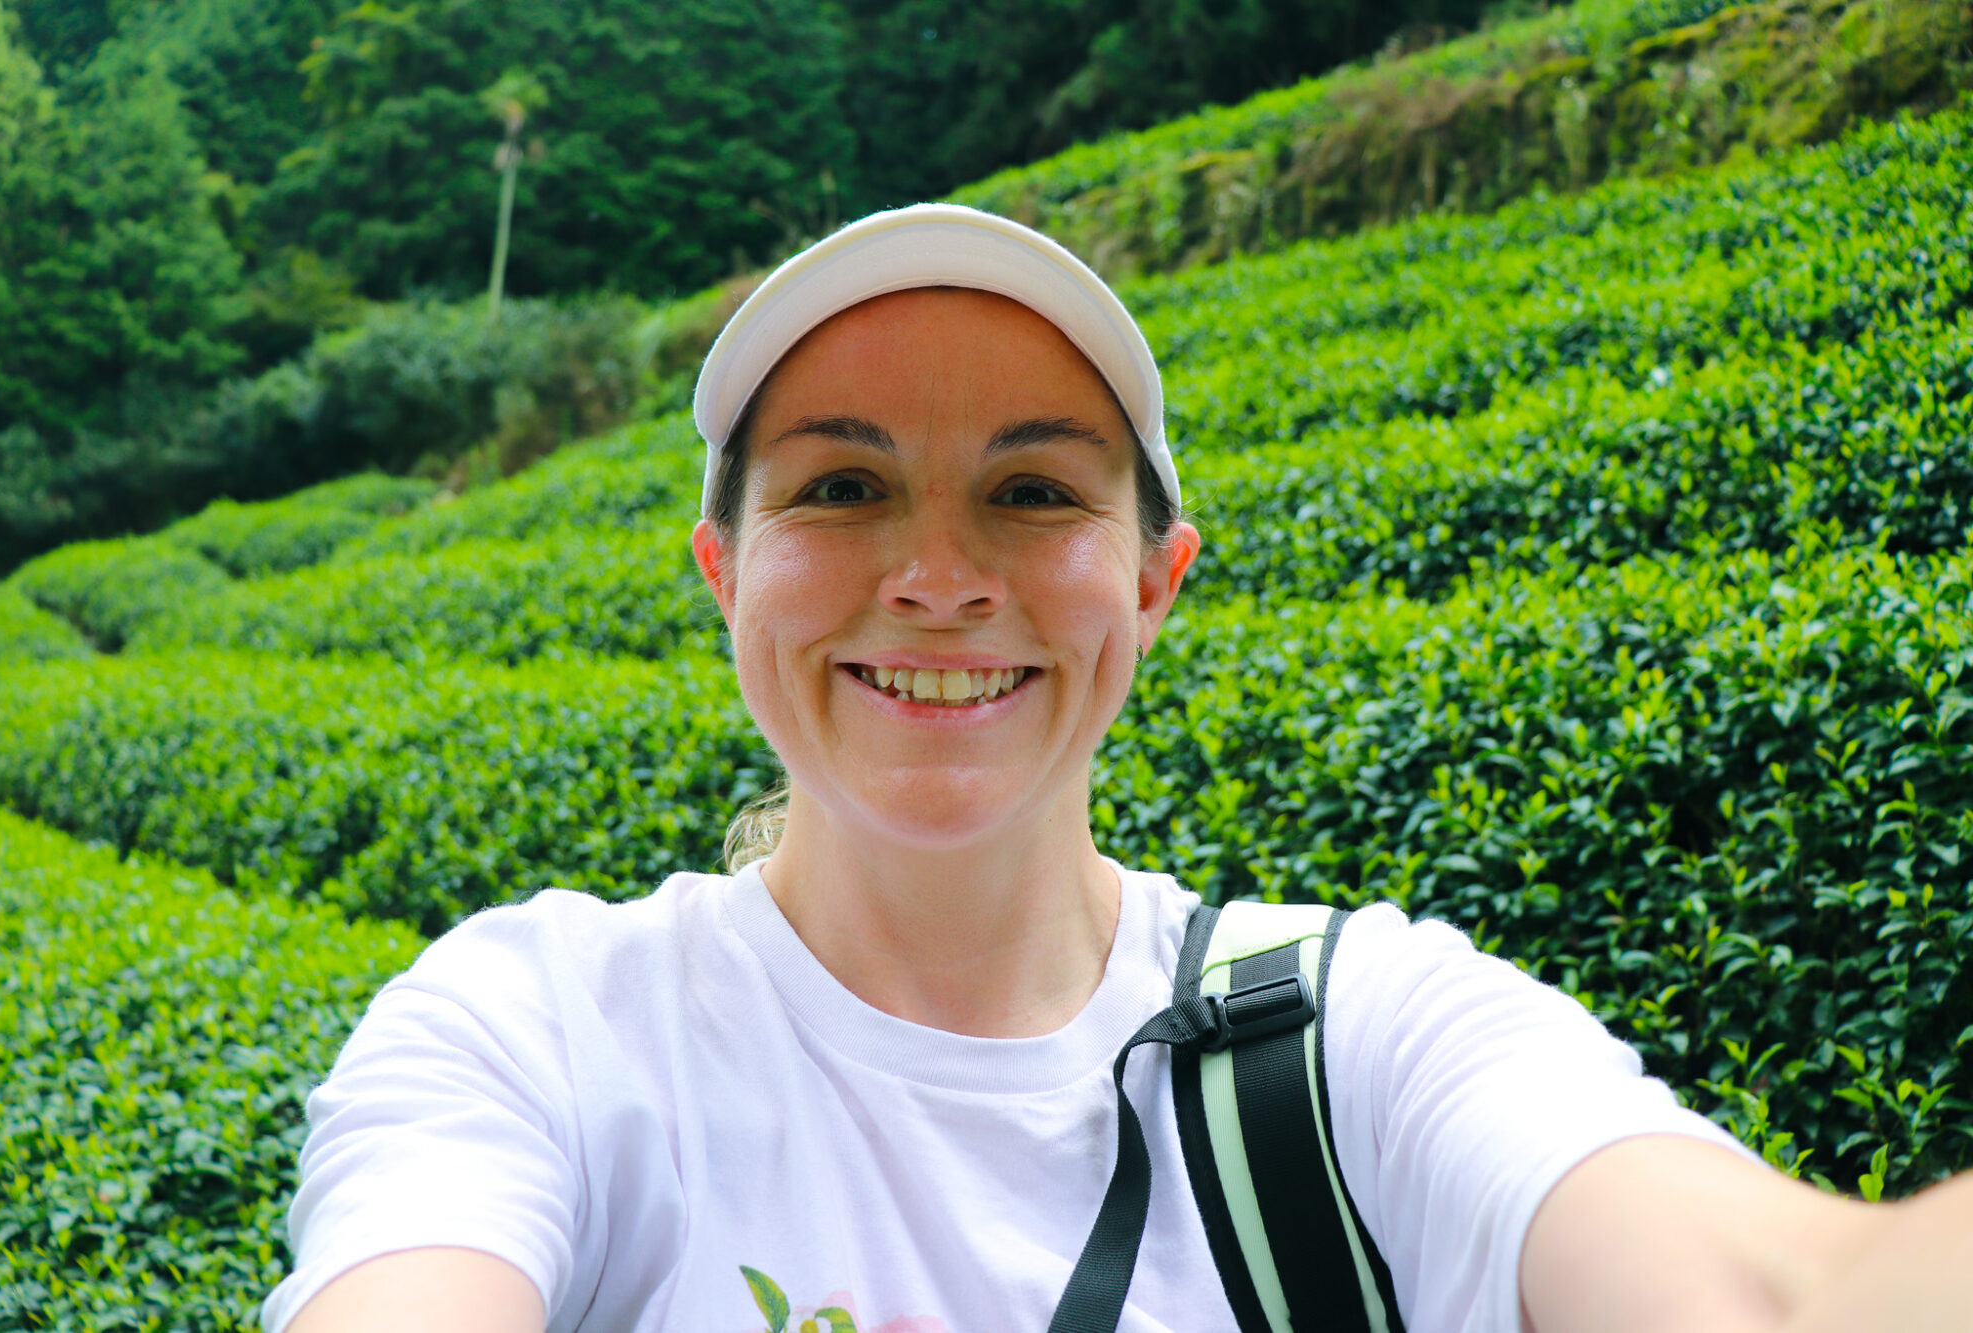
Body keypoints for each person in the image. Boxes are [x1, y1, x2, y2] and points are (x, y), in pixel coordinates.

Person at [263, 204, 1972, 1333]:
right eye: (841, 487)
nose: (936, 573)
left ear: (1155, 579)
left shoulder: (1356, 1035)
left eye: (1035, 490)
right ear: (726, 572)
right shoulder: (536, 1027)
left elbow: (1779, 1292)